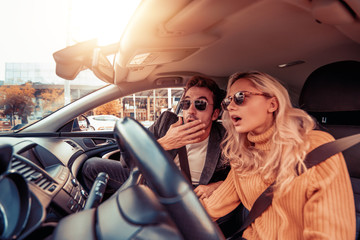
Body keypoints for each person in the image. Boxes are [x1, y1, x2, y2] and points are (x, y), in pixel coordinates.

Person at [200, 71, 355, 239]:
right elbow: (211, 208)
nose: (230, 106)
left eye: (240, 97)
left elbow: (330, 234)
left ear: (272, 104)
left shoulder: (315, 147)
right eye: (227, 101)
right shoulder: (242, 156)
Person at [82, 75, 230, 200]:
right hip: (152, 182)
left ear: (215, 114)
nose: (190, 110)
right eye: (186, 103)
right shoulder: (166, 122)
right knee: (92, 166)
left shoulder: (224, 137)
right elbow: (126, 161)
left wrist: (216, 186)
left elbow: (243, 176)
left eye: (200, 104)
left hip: (188, 196)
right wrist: (165, 143)